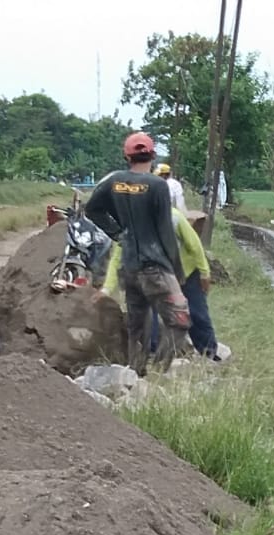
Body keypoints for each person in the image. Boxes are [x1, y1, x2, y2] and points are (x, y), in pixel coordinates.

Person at [85, 133, 190, 371]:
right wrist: (177, 271)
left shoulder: (114, 182)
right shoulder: (158, 185)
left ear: (127, 156)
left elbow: (92, 210)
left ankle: (136, 372)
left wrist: (119, 233)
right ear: (152, 155)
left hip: (129, 266)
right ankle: (160, 371)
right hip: (155, 267)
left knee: (137, 324)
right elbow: (165, 231)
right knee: (180, 319)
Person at [147, 207, 220, 358]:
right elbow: (119, 254)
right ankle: (151, 352)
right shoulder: (134, 223)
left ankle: (209, 353)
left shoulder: (174, 218)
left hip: (186, 272)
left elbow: (195, 246)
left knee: (196, 312)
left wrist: (205, 273)